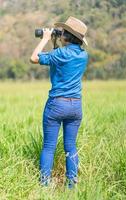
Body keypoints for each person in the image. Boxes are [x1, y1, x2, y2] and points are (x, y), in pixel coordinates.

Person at [30, 16, 89, 189]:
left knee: (49, 147)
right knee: (70, 146)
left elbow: (34, 58)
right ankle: (72, 186)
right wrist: (56, 41)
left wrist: (46, 39)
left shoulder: (60, 54)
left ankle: (45, 186)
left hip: (57, 104)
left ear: (66, 36)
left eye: (62, 32)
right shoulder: (83, 55)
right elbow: (61, 61)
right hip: (75, 105)